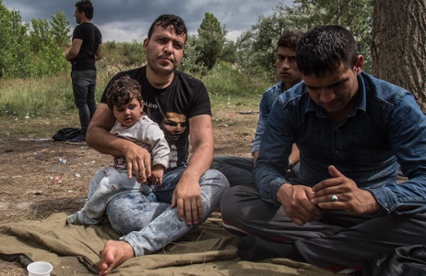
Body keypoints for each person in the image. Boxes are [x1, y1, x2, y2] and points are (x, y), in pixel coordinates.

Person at [220, 25, 426, 273]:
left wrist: (372, 199)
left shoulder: (394, 105)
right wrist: (283, 191)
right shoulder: (288, 105)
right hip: (311, 211)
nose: (326, 98)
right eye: (314, 88)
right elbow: (266, 167)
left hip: (378, 213)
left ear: (358, 64)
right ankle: (356, 245)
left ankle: (299, 251)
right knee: (234, 202)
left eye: (337, 84)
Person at [85, 14, 229, 275]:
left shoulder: (194, 89)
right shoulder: (123, 82)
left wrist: (191, 178)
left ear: (182, 53)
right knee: (125, 217)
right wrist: (127, 147)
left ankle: (136, 243)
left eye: (177, 45)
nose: (169, 49)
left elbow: (204, 143)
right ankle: (184, 218)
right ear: (146, 44)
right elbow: (93, 132)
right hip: (129, 184)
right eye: (162, 40)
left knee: (218, 181)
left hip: (172, 178)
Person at [66, 75, 170, 225]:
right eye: (121, 109)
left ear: (141, 106)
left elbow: (161, 144)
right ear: (113, 112)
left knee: (108, 183)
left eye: (131, 107)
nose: (127, 112)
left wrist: (158, 168)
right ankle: (91, 209)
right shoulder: (118, 126)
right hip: (122, 172)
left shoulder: (145, 126)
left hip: (139, 177)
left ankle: (87, 217)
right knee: (99, 176)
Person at [211, 31, 303, 187]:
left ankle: (272, 186)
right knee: (213, 164)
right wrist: (260, 163)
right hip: (272, 163)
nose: (285, 65)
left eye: (292, 59)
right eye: (281, 58)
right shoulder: (270, 96)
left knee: (305, 172)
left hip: (299, 163)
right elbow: (261, 137)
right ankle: (273, 186)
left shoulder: (314, 92)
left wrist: (287, 162)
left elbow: (307, 142)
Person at [65, 0, 102, 142]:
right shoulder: (97, 31)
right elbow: (99, 55)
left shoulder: (80, 29)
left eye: (76, 12)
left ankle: (85, 134)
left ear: (82, 13)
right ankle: (96, 131)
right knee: (91, 101)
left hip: (80, 70)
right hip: (92, 70)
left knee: (82, 103)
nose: (74, 15)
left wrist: (67, 56)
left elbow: (74, 51)